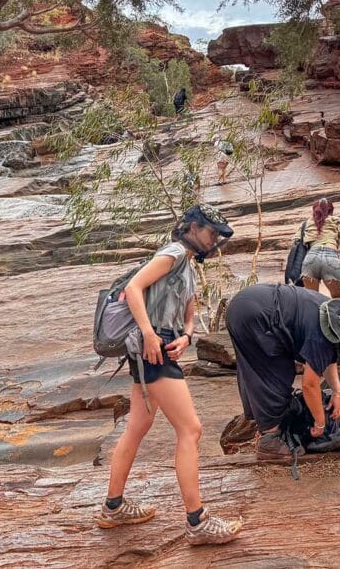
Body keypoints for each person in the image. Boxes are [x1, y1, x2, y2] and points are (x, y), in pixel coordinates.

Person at [98, 204, 242, 546]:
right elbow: (134, 288)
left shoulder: (189, 265)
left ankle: (113, 507)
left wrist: (187, 336)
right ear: (192, 227)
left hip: (160, 344)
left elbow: (189, 314)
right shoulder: (174, 253)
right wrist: (149, 333)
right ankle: (197, 521)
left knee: (138, 426)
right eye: (211, 232)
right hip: (152, 347)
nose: (215, 240)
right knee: (190, 429)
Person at [225, 284, 340, 460]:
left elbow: (327, 358)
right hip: (256, 316)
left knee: (261, 369)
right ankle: (270, 440)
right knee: (274, 376)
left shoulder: (333, 316)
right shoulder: (322, 336)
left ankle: (272, 430)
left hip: (247, 305)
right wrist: (320, 424)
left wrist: (337, 391)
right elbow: (309, 385)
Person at [294, 198, 340, 298]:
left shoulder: (306, 223)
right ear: (330, 211)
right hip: (330, 258)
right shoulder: (334, 220)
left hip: (310, 258)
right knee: (337, 300)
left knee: (312, 300)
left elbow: (296, 241)